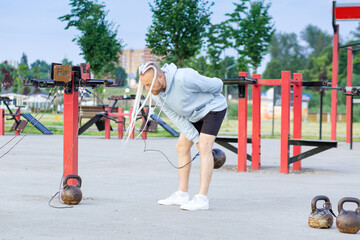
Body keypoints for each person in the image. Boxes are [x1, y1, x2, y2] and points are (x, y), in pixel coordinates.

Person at [138, 62, 227, 211]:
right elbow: (177, 119)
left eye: (149, 84)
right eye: (145, 85)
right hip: (193, 115)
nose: (147, 89)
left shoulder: (184, 78)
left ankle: (202, 199)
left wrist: (201, 142)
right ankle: (182, 194)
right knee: (182, 146)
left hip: (213, 108)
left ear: (160, 76)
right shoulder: (157, 94)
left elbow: (217, 85)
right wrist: (195, 138)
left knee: (205, 146)